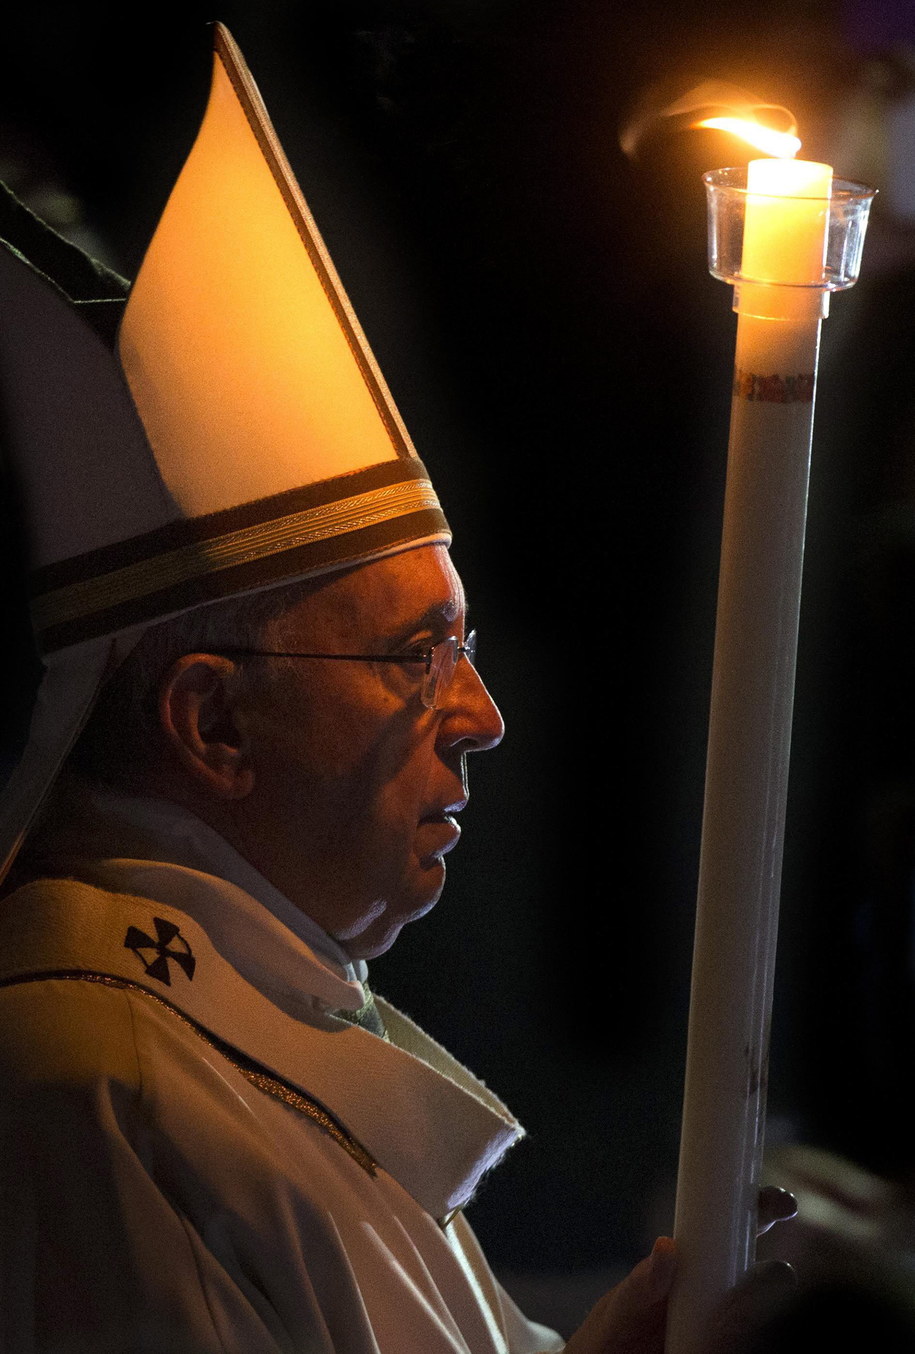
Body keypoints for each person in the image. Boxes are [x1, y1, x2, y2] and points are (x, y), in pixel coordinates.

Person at [0, 23, 794, 1353]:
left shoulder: (254, 1027)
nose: (482, 714)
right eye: (412, 654)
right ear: (213, 721)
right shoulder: (96, 1078)